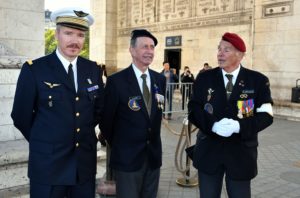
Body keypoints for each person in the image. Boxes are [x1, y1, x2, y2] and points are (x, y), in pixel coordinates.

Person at [11, 7, 104, 198]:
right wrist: (45, 141)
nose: (74, 41)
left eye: (80, 35)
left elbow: (97, 111)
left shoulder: (93, 70)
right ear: (56, 34)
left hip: (83, 168)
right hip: (48, 168)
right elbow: (21, 116)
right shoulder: (35, 70)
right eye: (68, 33)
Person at [188, 32, 273, 198]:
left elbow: (266, 115)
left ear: (240, 55)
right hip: (209, 151)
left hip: (241, 154)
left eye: (226, 50)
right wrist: (213, 125)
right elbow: (193, 108)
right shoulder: (205, 78)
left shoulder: (257, 80)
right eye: (219, 49)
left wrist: (238, 126)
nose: (220, 53)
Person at [99, 29, 166, 198]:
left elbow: (156, 114)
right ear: (132, 50)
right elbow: (106, 122)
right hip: (127, 160)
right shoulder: (116, 81)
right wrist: (122, 145)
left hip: (153, 159)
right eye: (144, 47)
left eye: (152, 47)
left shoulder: (160, 80)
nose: (149, 51)